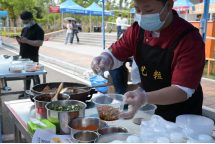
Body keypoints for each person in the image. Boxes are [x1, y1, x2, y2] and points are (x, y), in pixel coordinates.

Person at [91, 0, 205, 122]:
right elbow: (116, 52)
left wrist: (144, 98)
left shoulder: (189, 38)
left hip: (182, 115)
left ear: (168, 5)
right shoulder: (136, 30)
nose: (142, 15)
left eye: (148, 10)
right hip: (151, 109)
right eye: (138, 10)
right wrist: (105, 59)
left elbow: (181, 90)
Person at [16, 11, 44, 99]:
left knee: (35, 75)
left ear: (31, 19)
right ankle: (26, 91)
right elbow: (22, 43)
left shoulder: (38, 29)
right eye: (24, 22)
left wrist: (27, 41)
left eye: (26, 22)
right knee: (26, 75)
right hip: (23, 55)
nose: (25, 24)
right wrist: (19, 40)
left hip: (32, 56)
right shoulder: (24, 29)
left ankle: (38, 92)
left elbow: (40, 43)